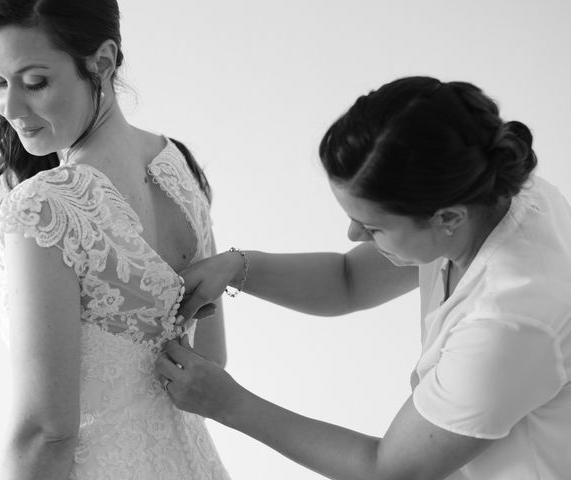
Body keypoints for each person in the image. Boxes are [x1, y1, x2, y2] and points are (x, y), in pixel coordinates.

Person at [156, 77, 571, 480]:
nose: (354, 236)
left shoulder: (510, 319)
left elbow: (389, 469)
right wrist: (239, 266)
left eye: (372, 227)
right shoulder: (483, 190)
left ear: (447, 218)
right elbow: (348, 279)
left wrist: (229, 404)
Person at [0, 0, 230, 478]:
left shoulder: (46, 206)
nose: (9, 108)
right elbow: (210, 361)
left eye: (35, 83)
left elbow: (45, 433)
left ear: (103, 62)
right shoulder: (177, 164)